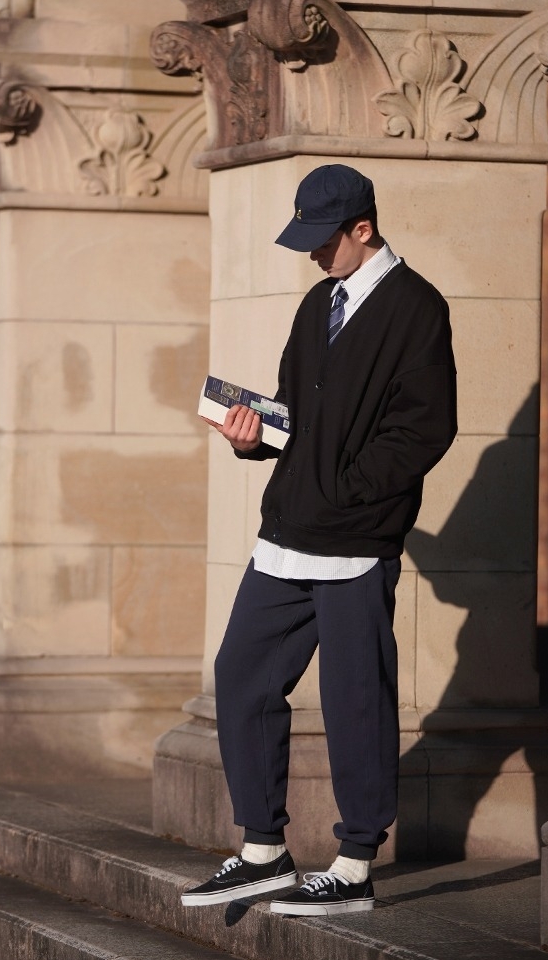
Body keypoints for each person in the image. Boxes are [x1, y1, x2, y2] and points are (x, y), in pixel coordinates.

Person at [183, 164, 457, 916]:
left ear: (362, 228)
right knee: (242, 674)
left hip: (356, 540)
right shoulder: (317, 304)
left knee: (353, 701)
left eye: (322, 239)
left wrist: (347, 489)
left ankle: (356, 862)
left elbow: (425, 428)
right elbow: (299, 416)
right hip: (287, 531)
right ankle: (263, 852)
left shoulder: (416, 307)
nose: (312, 253)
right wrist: (253, 438)